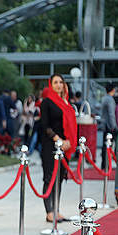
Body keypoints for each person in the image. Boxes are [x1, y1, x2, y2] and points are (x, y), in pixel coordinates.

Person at [39, 74, 77, 222]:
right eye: (55, 82)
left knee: (59, 179)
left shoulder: (65, 102)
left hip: (65, 146)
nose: (58, 85)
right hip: (51, 144)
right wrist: (59, 140)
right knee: (50, 178)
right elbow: (45, 125)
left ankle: (56, 210)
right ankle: (49, 212)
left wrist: (68, 142)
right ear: (51, 85)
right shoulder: (47, 102)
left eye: (61, 82)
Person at [99, 83, 118, 170]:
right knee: (109, 146)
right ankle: (106, 164)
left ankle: (104, 164)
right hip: (109, 126)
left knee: (105, 145)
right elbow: (111, 114)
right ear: (113, 90)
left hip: (105, 124)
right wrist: (114, 126)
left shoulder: (104, 98)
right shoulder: (110, 99)